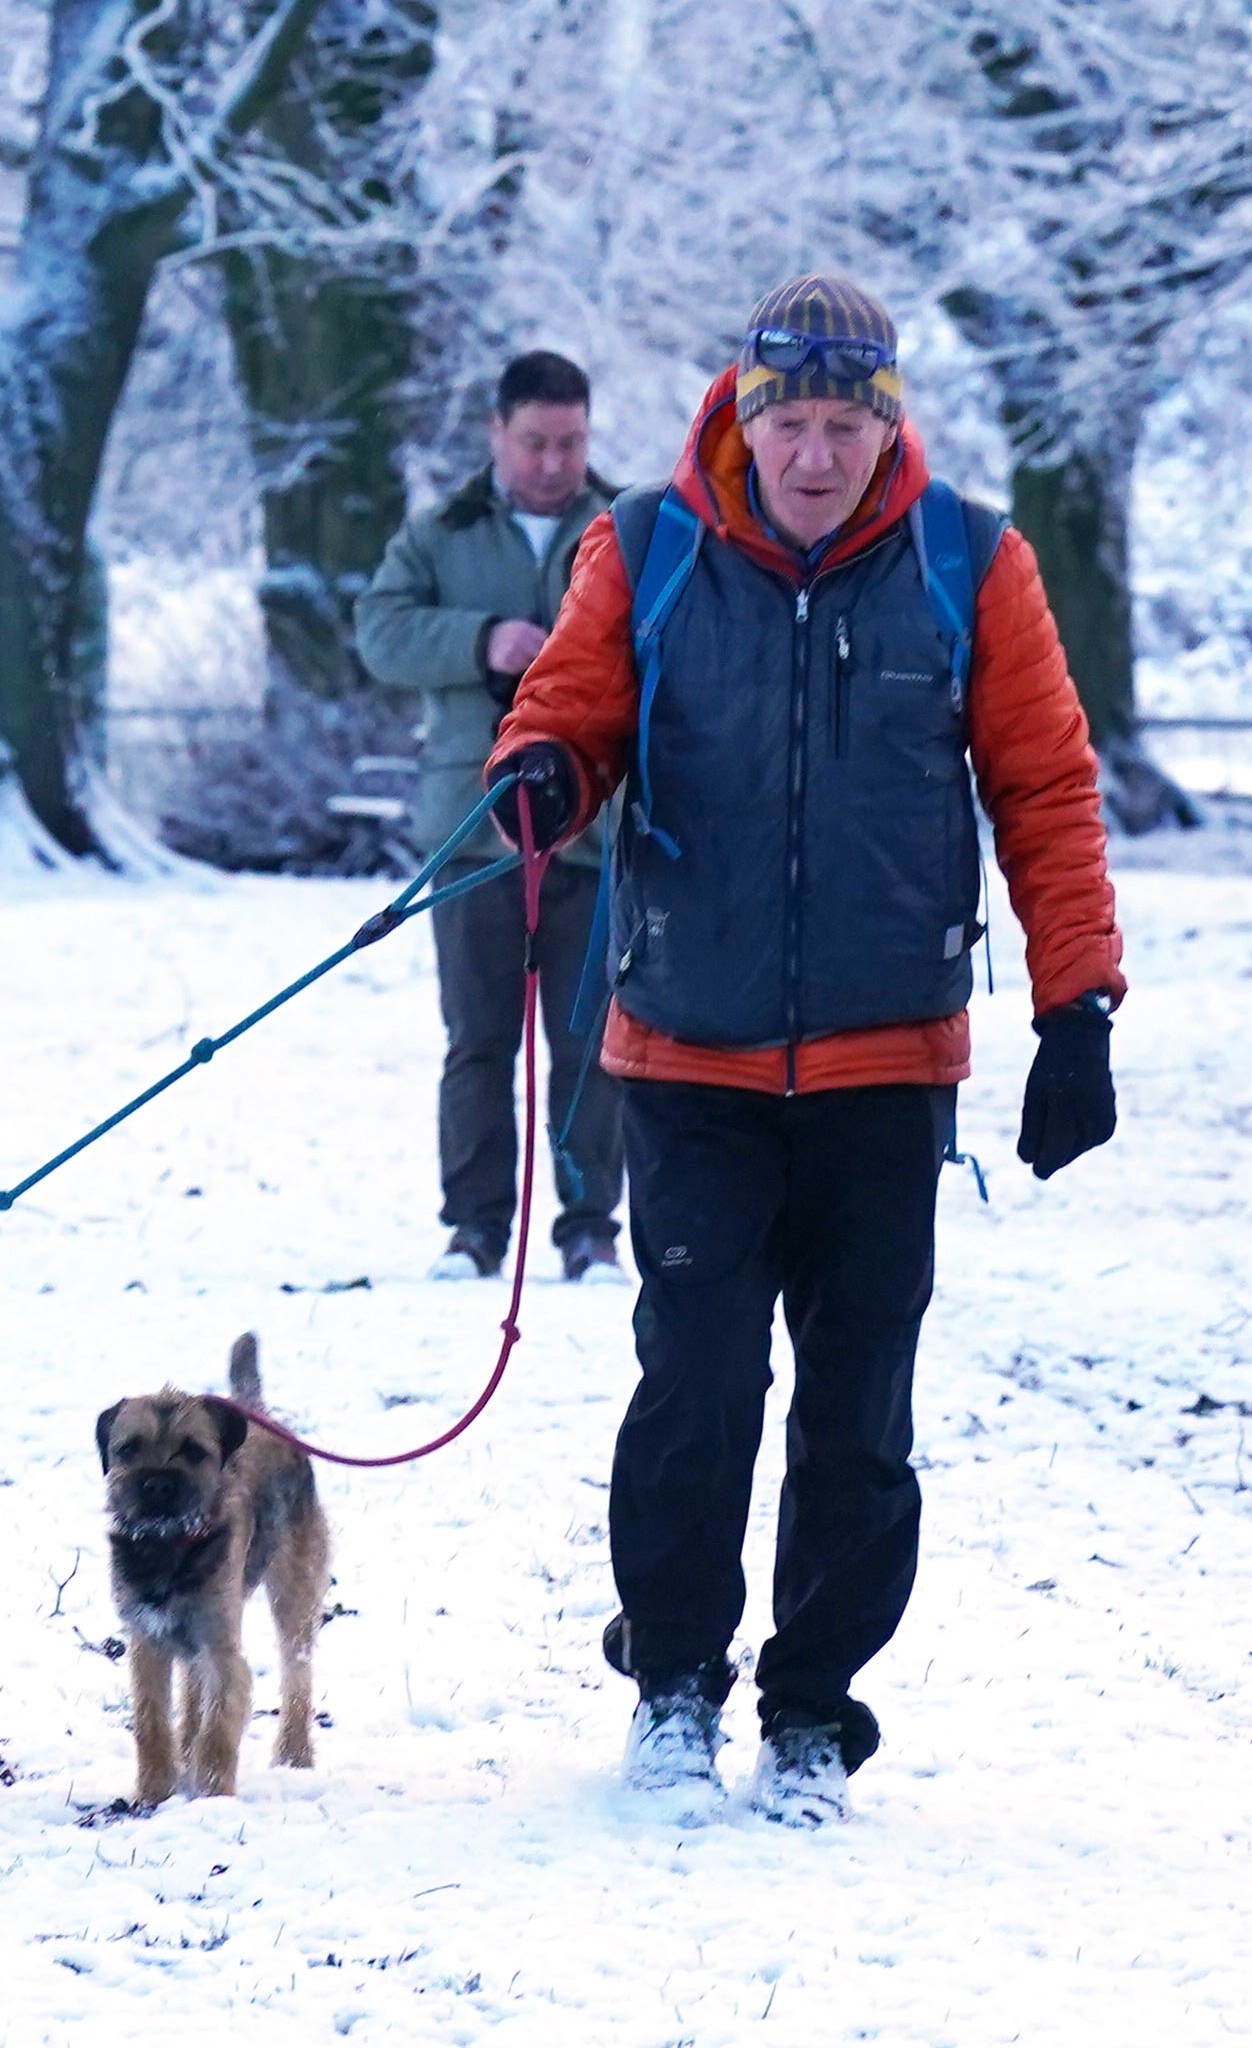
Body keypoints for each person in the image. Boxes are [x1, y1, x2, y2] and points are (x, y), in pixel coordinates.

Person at [479, 274, 1125, 1819]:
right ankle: (678, 1684)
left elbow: (1046, 788)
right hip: (687, 1052)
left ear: (885, 420)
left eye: (848, 424)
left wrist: (1075, 1010)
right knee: (693, 1380)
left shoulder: (973, 562)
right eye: (795, 422)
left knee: (859, 1401)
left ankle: (817, 1707)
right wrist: (546, 778)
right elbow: (568, 710)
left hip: (886, 1062)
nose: (819, 455)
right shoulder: (644, 547)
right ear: (745, 412)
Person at [349, 354, 625, 1279]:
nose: (555, 462)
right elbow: (379, 633)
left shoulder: (628, 527)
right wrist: (479, 640)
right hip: (471, 834)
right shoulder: (441, 534)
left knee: (589, 1042)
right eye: (537, 442)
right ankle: (474, 1228)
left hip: (598, 833)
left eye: (572, 443)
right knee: (479, 1039)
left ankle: (590, 1225)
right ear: (497, 436)